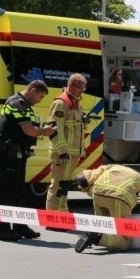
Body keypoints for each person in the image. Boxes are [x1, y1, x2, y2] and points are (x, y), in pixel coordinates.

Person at [0, 80, 56, 241]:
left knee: (19, 191)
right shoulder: (17, 104)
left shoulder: (25, 106)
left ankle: (19, 226)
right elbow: (29, 130)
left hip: (17, 152)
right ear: (33, 90)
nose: (39, 100)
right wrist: (45, 131)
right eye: (40, 96)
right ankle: (2, 229)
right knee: (7, 192)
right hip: (9, 152)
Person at [73, 164, 140, 253]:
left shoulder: (112, 167)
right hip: (120, 198)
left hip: (98, 194)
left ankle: (94, 234)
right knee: (125, 239)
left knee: (102, 224)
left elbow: (84, 178)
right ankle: (98, 237)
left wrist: (85, 189)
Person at [46, 73, 87, 214]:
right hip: (63, 153)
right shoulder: (61, 103)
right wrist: (62, 150)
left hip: (71, 153)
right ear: (71, 86)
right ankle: (52, 217)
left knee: (64, 185)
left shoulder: (75, 102)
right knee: (57, 185)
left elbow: (74, 128)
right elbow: (54, 129)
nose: (83, 91)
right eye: (80, 88)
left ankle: (62, 214)